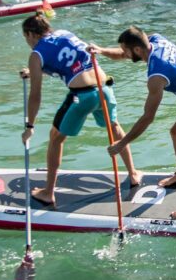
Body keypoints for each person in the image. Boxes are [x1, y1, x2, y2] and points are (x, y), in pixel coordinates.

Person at [91, 27, 176, 221]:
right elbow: (123, 53)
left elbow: (148, 117)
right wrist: (100, 50)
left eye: (126, 50)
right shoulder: (156, 39)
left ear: (136, 50)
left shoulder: (156, 76)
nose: (124, 54)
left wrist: (122, 143)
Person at [20, 13, 141, 206]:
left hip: (82, 96)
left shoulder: (36, 55)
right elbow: (70, 61)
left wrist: (30, 125)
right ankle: (133, 174)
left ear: (30, 34)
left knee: (55, 137)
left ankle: (48, 192)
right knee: (114, 127)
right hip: (105, 88)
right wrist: (36, 71)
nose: (27, 42)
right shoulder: (65, 33)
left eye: (26, 38)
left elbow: (35, 94)